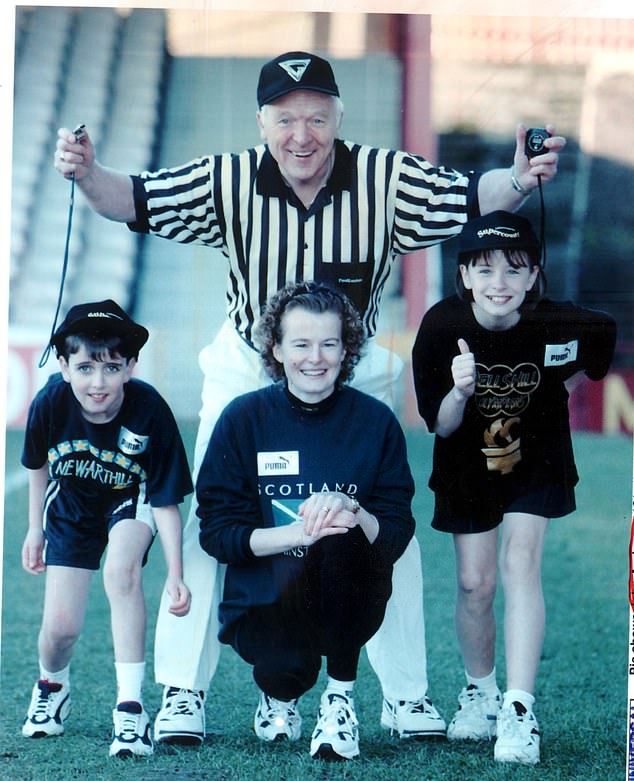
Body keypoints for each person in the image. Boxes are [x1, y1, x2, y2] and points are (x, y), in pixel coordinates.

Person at [53, 50, 566, 744]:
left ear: (338, 118)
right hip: (250, 365)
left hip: (351, 366)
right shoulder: (227, 177)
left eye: (317, 118)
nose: (302, 134)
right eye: (286, 119)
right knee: (213, 508)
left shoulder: (385, 176)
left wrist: (519, 174)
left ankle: (406, 693)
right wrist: (86, 173)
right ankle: (182, 689)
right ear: (263, 122)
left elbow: (473, 196)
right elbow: (132, 199)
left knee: (387, 518)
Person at [411, 211, 616, 765]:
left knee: (520, 562)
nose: (499, 281)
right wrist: (458, 391)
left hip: (537, 458)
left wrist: (560, 384)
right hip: (466, 462)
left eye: (513, 269)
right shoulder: (439, 327)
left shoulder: (561, 321)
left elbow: (601, 341)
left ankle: (520, 710)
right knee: (475, 584)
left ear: (532, 277)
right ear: (466, 277)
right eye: (485, 269)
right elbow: (443, 425)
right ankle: (480, 691)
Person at [196, 280, 415, 760]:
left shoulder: (375, 422)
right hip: (268, 598)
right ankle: (280, 695)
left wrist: (349, 510)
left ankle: (340, 698)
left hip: (348, 594)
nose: (314, 357)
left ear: (346, 349)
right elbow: (216, 532)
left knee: (339, 532)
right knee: (283, 671)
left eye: (328, 344)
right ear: (276, 348)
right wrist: (298, 532)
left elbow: (396, 533)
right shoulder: (243, 419)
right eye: (300, 344)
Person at [20, 299, 193, 758]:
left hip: (128, 499)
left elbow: (166, 499)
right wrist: (34, 528)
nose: (99, 383)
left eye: (112, 368)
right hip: (72, 504)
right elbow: (38, 465)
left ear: (131, 366)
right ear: (63, 366)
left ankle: (131, 709)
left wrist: (175, 573)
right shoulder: (51, 402)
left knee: (122, 571)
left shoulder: (150, 410)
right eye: (85, 368)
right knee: (59, 629)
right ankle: (52, 685)